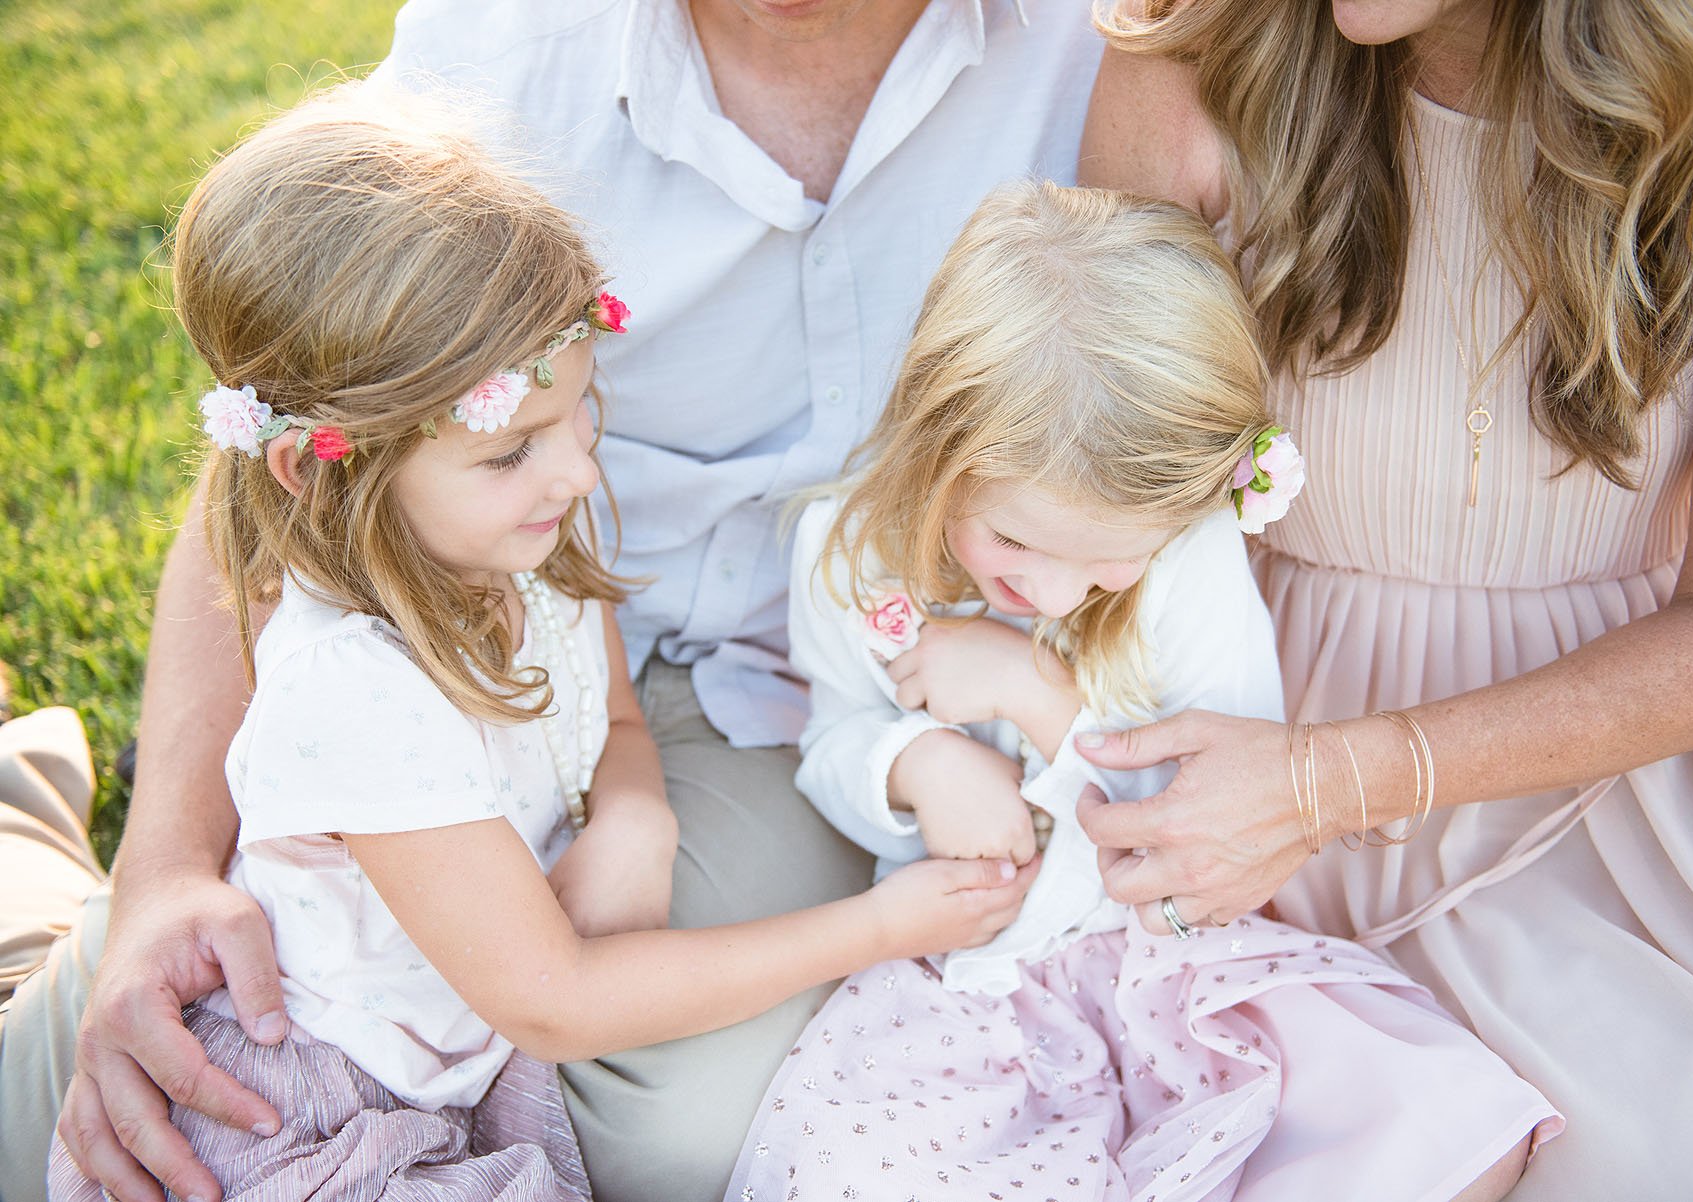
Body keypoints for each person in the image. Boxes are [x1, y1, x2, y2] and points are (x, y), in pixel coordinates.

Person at [0, 5, 1105, 1202]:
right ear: (326, 464)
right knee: (45, 1098)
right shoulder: (360, 686)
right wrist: (888, 925)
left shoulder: (534, 542)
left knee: (666, 1137)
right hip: (305, 1095)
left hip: (509, 982)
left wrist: (635, 814)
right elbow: (557, 998)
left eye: (585, 417)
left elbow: (609, 718)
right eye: (512, 446)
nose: (582, 472)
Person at [1076, 1, 1693, 1197]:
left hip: (1615, 791)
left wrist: (1329, 780)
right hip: (1235, 767)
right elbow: (1078, 477)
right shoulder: (1194, 57)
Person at [732, 182, 1559, 1202]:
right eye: (1014, 539)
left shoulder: (1187, 556)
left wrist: (1037, 694)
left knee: (1434, 1133)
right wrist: (912, 763)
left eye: (1106, 562)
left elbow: (1222, 807)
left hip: (1173, 956)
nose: (1053, 593)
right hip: (972, 971)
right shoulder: (849, 553)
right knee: (866, 1170)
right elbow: (830, 738)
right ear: (939, 448)